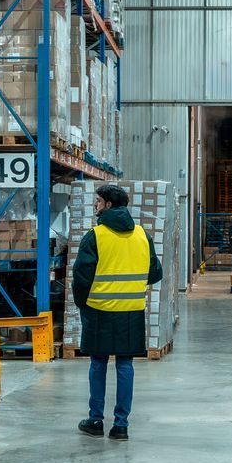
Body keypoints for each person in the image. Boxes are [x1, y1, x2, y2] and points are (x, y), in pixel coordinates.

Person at [71, 183, 163, 439]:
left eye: (98, 202)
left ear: (108, 205)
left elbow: (81, 277)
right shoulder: (142, 235)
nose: (95, 206)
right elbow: (155, 273)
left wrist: (83, 303)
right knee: (125, 364)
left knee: (98, 363)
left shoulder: (96, 236)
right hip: (131, 311)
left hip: (99, 310)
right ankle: (121, 425)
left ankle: (95, 420)